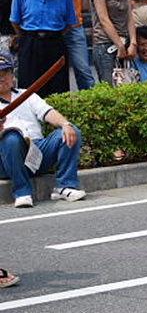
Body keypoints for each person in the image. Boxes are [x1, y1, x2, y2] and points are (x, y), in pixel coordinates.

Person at [0, 52, 85, 208]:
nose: (1, 78)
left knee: (71, 131)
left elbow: (48, 112)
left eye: (5, 73)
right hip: (8, 158)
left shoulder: (27, 95)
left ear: (12, 75)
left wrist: (65, 124)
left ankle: (65, 186)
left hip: (38, 151)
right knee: (11, 137)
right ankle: (22, 192)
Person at [10, 0, 76, 97]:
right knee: (29, 89)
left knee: (58, 88)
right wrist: (27, 37)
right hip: (30, 43)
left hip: (55, 43)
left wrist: (53, 34)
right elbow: (15, 21)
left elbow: (70, 23)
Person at [90, 0, 137, 84]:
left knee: (128, 86)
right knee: (109, 87)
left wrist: (133, 42)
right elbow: (103, 19)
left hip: (125, 44)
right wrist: (119, 44)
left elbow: (129, 16)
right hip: (105, 45)